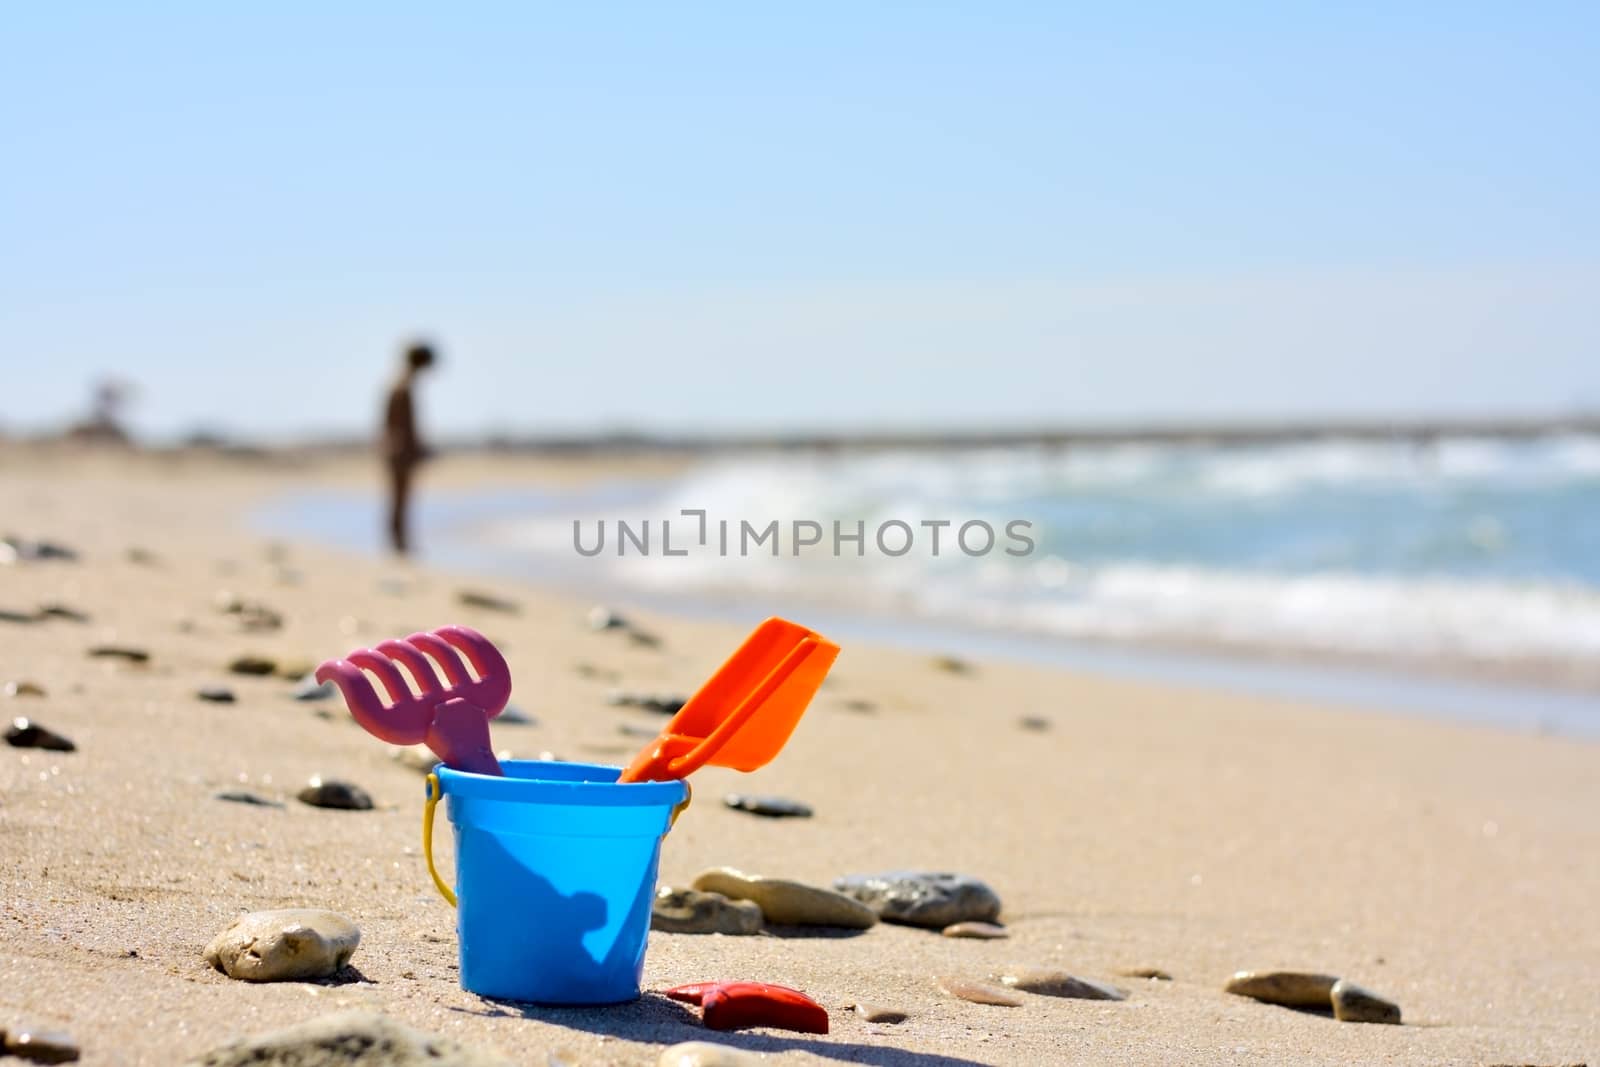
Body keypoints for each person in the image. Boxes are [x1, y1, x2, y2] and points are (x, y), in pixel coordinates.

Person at [382, 341, 436, 554]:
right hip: (400, 451)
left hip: (399, 449)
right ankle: (398, 544)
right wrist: (412, 448)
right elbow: (399, 424)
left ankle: (400, 542)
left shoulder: (401, 384)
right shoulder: (402, 386)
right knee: (399, 499)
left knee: (401, 499)